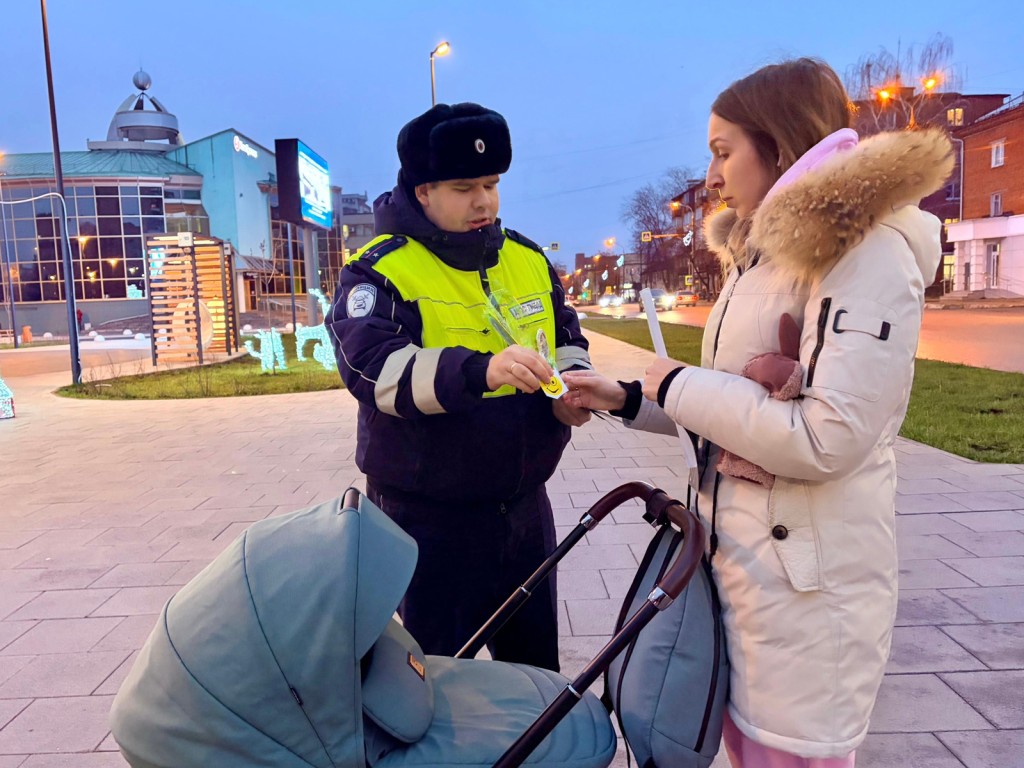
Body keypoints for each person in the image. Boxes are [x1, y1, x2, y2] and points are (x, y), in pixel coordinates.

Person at [564, 58, 953, 766]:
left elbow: (829, 437)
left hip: (807, 591)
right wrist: (626, 397)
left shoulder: (863, 254)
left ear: (778, 145)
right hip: (742, 576)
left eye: (722, 152)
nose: (711, 177)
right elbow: (728, 410)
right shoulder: (761, 259)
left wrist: (675, 381)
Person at [326, 102, 592, 672]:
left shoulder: (527, 258)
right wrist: (480, 371)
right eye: (464, 186)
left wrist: (574, 388)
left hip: (523, 511)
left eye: (492, 184)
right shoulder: (378, 271)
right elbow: (373, 369)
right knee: (439, 681)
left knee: (536, 673)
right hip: (428, 522)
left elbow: (565, 333)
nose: (484, 202)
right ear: (422, 191)